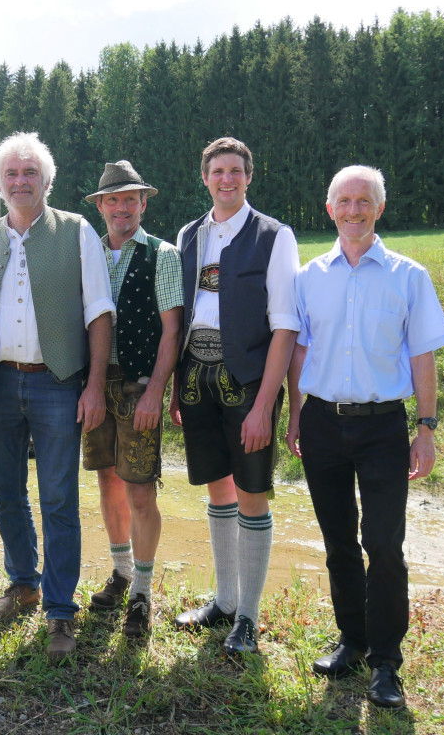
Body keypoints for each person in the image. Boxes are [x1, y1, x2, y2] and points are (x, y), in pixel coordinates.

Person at [286, 165, 444, 708]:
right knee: (338, 542)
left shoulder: (409, 276)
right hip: (322, 422)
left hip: (384, 425)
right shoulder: (310, 276)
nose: (354, 210)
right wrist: (295, 416)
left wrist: (425, 428)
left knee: (382, 544)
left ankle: (386, 662)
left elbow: (422, 355)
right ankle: (352, 641)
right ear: (328, 208)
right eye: (344, 201)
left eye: (364, 201)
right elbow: (300, 352)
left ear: (379, 209)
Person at [0, 132, 115, 659]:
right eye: (11, 173)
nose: (20, 181)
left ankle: (60, 611)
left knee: (59, 500)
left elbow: (99, 312)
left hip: (59, 381)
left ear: (46, 180)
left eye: (29, 172)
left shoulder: (77, 231)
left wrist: (94, 386)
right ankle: (23, 583)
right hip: (0, 383)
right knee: (6, 494)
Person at [170, 136, 300, 655]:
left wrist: (266, 404)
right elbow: (183, 312)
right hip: (196, 377)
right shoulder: (188, 234)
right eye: (218, 171)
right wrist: (179, 387)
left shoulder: (274, 235)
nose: (227, 179)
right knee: (216, 488)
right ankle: (223, 601)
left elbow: (286, 326)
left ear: (249, 177)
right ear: (205, 177)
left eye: (236, 171)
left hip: (247, 382)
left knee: (252, 491)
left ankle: (248, 616)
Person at [80, 161, 182, 639]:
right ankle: (120, 573)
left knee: (140, 487)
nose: (122, 207)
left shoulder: (163, 254)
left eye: (130, 199)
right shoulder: (88, 253)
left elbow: (171, 330)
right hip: (97, 383)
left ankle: (142, 589)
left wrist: (156, 392)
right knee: (106, 480)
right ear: (100, 206)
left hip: (140, 384)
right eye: (113, 200)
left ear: (143, 204)